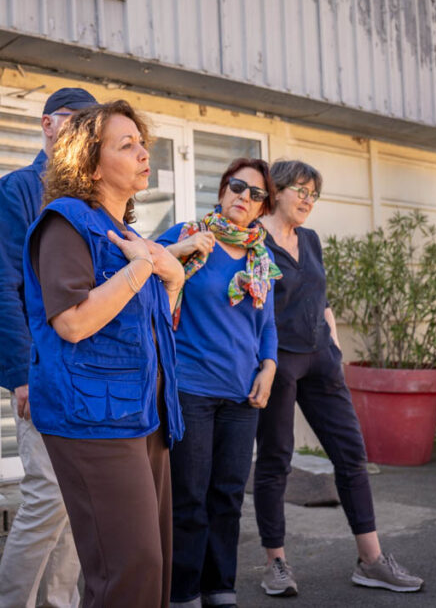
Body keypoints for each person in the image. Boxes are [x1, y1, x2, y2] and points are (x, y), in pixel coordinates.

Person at [23, 100, 186, 608]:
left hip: (144, 413)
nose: (143, 153)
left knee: (152, 567)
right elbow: (72, 322)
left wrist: (173, 279)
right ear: (90, 165)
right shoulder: (66, 223)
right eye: (127, 144)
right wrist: (141, 269)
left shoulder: (131, 235)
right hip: (93, 416)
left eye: (142, 142)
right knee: (127, 572)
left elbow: (151, 327)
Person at [253, 159, 425, 596]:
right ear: (277, 190)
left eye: (314, 194)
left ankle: (371, 560)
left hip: (322, 360)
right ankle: (276, 564)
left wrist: (333, 339)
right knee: (275, 460)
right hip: (279, 361)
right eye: (301, 190)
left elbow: (321, 295)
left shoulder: (309, 240)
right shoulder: (254, 242)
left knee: (351, 455)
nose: (308, 200)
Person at [0, 86, 97, 608]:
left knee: (77, 502)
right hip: (41, 369)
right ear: (47, 125)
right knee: (48, 497)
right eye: (72, 121)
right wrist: (23, 374)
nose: (82, 134)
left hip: (90, 370)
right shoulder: (17, 191)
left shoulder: (92, 199)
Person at [157, 158, 280, 608]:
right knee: (188, 497)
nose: (243, 197)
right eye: (237, 186)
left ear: (263, 207)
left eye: (255, 194)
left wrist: (269, 367)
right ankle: (183, 593)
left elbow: (266, 324)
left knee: (227, 496)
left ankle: (220, 589)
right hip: (191, 388)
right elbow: (142, 260)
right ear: (222, 189)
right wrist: (183, 246)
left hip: (242, 395)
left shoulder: (260, 258)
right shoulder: (192, 235)